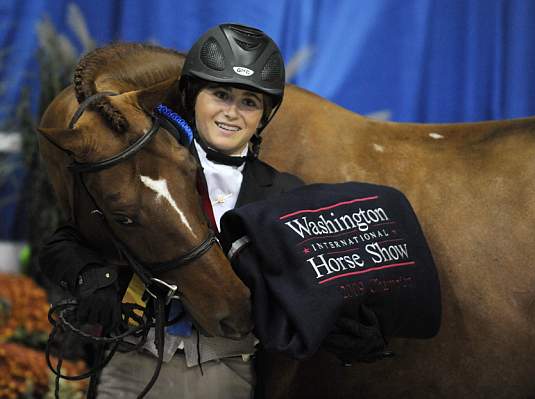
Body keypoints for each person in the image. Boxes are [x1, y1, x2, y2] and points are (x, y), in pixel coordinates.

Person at [41, 23, 386, 399]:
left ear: (264, 116)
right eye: (220, 94)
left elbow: (308, 283)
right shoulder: (147, 169)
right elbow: (65, 241)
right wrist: (91, 276)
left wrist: (341, 325)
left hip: (226, 372)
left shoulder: (284, 193)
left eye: (249, 102)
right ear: (192, 97)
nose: (232, 113)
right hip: (133, 362)